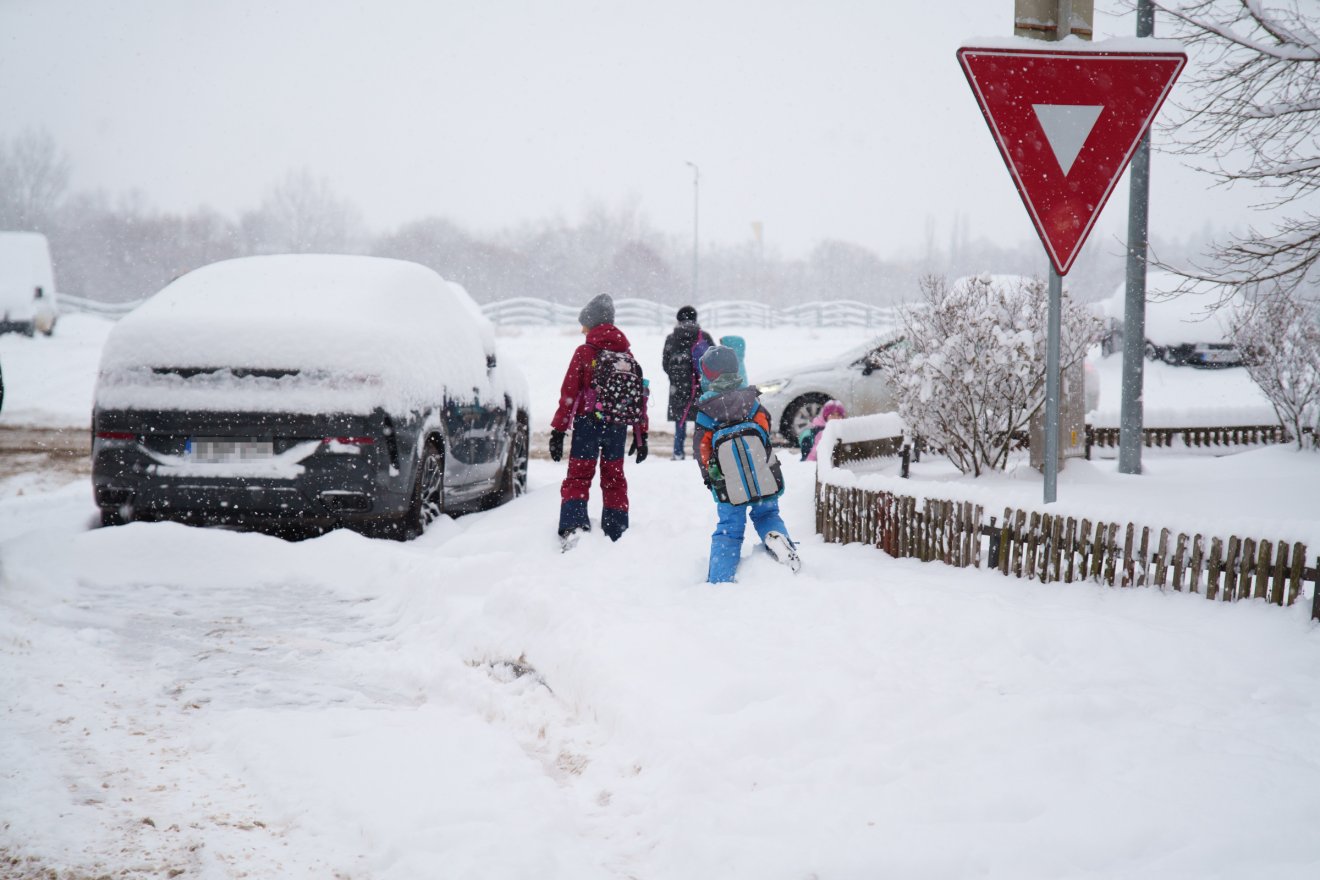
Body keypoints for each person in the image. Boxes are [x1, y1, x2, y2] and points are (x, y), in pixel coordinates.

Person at [693, 345, 801, 583]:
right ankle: (779, 543)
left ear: (709, 375)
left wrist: (710, 478)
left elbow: (702, 449)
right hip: (762, 475)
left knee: (729, 529)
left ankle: (720, 580)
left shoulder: (706, 411)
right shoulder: (752, 402)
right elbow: (764, 433)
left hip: (729, 483)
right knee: (768, 514)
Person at [549, 293, 648, 545]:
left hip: (587, 424)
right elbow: (638, 396)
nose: (581, 329)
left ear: (592, 323)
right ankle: (616, 529)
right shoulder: (627, 354)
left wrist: (559, 430)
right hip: (617, 424)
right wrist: (641, 433)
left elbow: (568, 394)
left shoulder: (585, 352)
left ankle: (573, 527)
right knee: (614, 476)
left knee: (578, 476)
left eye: (583, 323)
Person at [661, 305, 714, 460]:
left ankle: (678, 452)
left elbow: (665, 364)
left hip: (678, 387)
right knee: (701, 421)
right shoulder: (703, 336)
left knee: (680, 420)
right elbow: (714, 360)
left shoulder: (671, 338)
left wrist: (677, 378)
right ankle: (700, 452)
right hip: (700, 385)